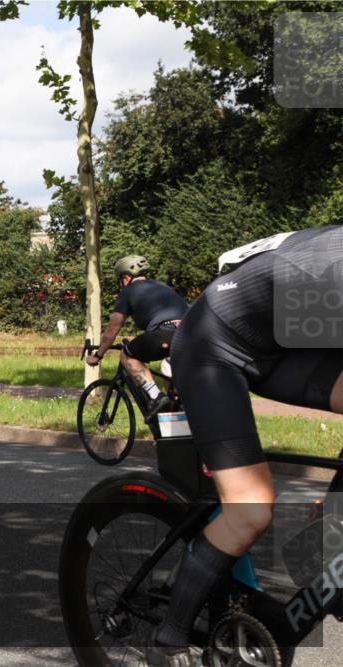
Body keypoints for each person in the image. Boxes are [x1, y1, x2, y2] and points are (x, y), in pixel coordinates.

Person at [147, 225, 343, 666]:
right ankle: (168, 640)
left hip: (281, 341)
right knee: (250, 510)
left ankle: (328, 550)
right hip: (213, 343)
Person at [86, 255, 188, 417]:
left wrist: (98, 355)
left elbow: (112, 329)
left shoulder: (128, 292)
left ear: (126, 278)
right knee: (169, 368)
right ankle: (178, 412)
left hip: (164, 333)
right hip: (191, 333)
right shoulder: (165, 287)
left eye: (120, 279)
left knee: (127, 354)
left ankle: (156, 397)